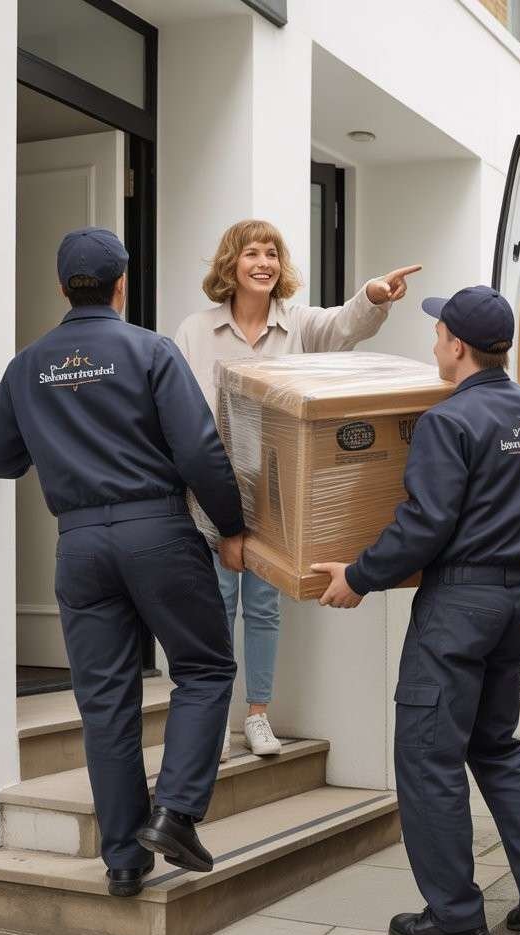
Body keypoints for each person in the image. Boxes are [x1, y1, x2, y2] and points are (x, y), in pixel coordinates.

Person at [0, 228, 246, 897]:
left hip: (80, 547)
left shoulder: (28, 365)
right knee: (205, 667)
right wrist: (235, 527)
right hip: (156, 530)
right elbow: (201, 451)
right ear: (122, 283)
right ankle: (177, 813)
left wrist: (58, 428)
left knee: (105, 703)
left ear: (64, 287)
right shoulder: (149, 350)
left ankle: (124, 860)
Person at [312, 286, 520, 935]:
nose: (433, 344)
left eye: (437, 334)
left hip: (458, 606)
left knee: (429, 758)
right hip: (517, 601)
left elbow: (425, 523)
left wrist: (359, 577)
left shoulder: (448, 421)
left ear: (457, 344)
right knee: (496, 745)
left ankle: (455, 913)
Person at [175, 219, 421, 760]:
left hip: (277, 495)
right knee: (213, 603)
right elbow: (180, 413)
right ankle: (213, 716)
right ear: (231, 265)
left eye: (272, 254)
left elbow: (344, 325)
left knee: (262, 605)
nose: (264, 263)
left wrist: (374, 296)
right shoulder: (196, 331)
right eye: (252, 254)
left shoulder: (299, 325)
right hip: (214, 489)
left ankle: (258, 715)